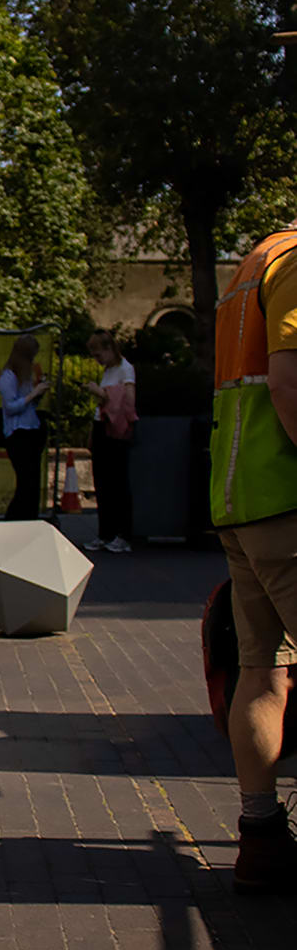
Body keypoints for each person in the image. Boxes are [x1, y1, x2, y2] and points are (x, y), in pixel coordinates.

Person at [212, 227, 297, 892]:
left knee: (261, 671)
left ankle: (260, 837)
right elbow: (288, 384)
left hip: (241, 496)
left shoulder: (257, 260)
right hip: (288, 497)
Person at [83, 329, 136, 554]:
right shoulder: (109, 370)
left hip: (115, 430)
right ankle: (105, 533)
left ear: (109, 349)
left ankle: (122, 534)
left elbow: (128, 401)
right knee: (102, 483)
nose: (97, 360)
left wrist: (101, 393)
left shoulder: (126, 369)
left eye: (98, 355)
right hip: (102, 426)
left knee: (117, 482)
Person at [0, 332, 49, 520]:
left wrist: (37, 394)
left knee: (33, 482)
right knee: (25, 482)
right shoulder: (8, 377)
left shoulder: (25, 378)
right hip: (17, 434)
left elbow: (29, 405)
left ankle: (30, 518)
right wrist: (33, 394)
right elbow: (11, 407)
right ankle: (13, 519)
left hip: (31, 430)